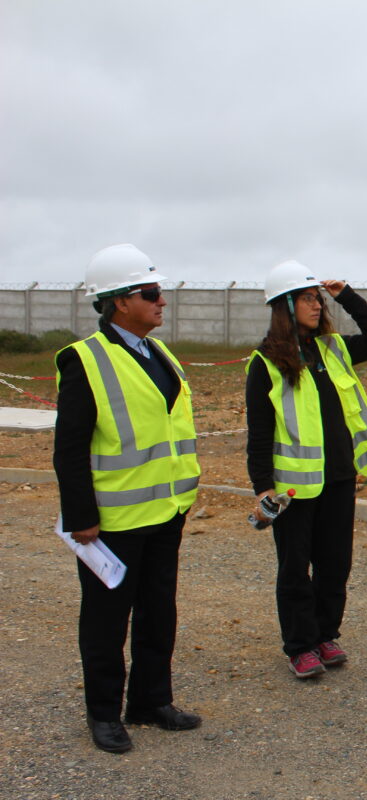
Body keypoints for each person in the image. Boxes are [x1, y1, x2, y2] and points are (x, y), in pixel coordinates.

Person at [53, 243, 203, 754]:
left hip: (166, 512)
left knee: (159, 611)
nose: (162, 301)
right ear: (119, 302)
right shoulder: (85, 361)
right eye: (151, 293)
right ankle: (104, 715)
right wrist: (81, 517)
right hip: (114, 521)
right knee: (105, 621)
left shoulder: (160, 353)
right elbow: (69, 448)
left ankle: (150, 701)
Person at [245, 260, 367, 679]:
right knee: (295, 569)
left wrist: (347, 294)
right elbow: (259, 434)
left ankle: (326, 634)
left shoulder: (333, 350)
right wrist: (262, 488)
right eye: (308, 298)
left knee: (335, 564)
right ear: (284, 306)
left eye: (318, 297)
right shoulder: (266, 362)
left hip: (340, 478)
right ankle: (299, 645)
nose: (317, 304)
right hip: (293, 489)